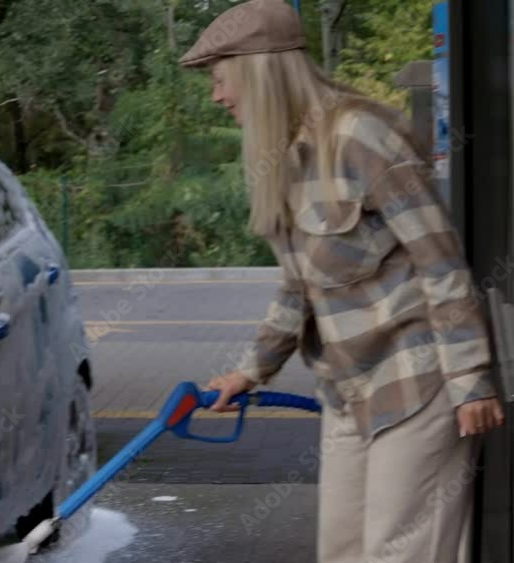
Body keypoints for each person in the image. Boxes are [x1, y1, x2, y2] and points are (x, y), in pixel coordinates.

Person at [178, 1, 505, 562]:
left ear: (259, 70)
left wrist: (472, 377)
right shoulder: (283, 157)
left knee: (398, 552)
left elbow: (441, 261)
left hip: (416, 379)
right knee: (343, 551)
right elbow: (297, 288)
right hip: (348, 391)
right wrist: (249, 371)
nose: (217, 95)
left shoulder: (363, 135)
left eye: (219, 78)